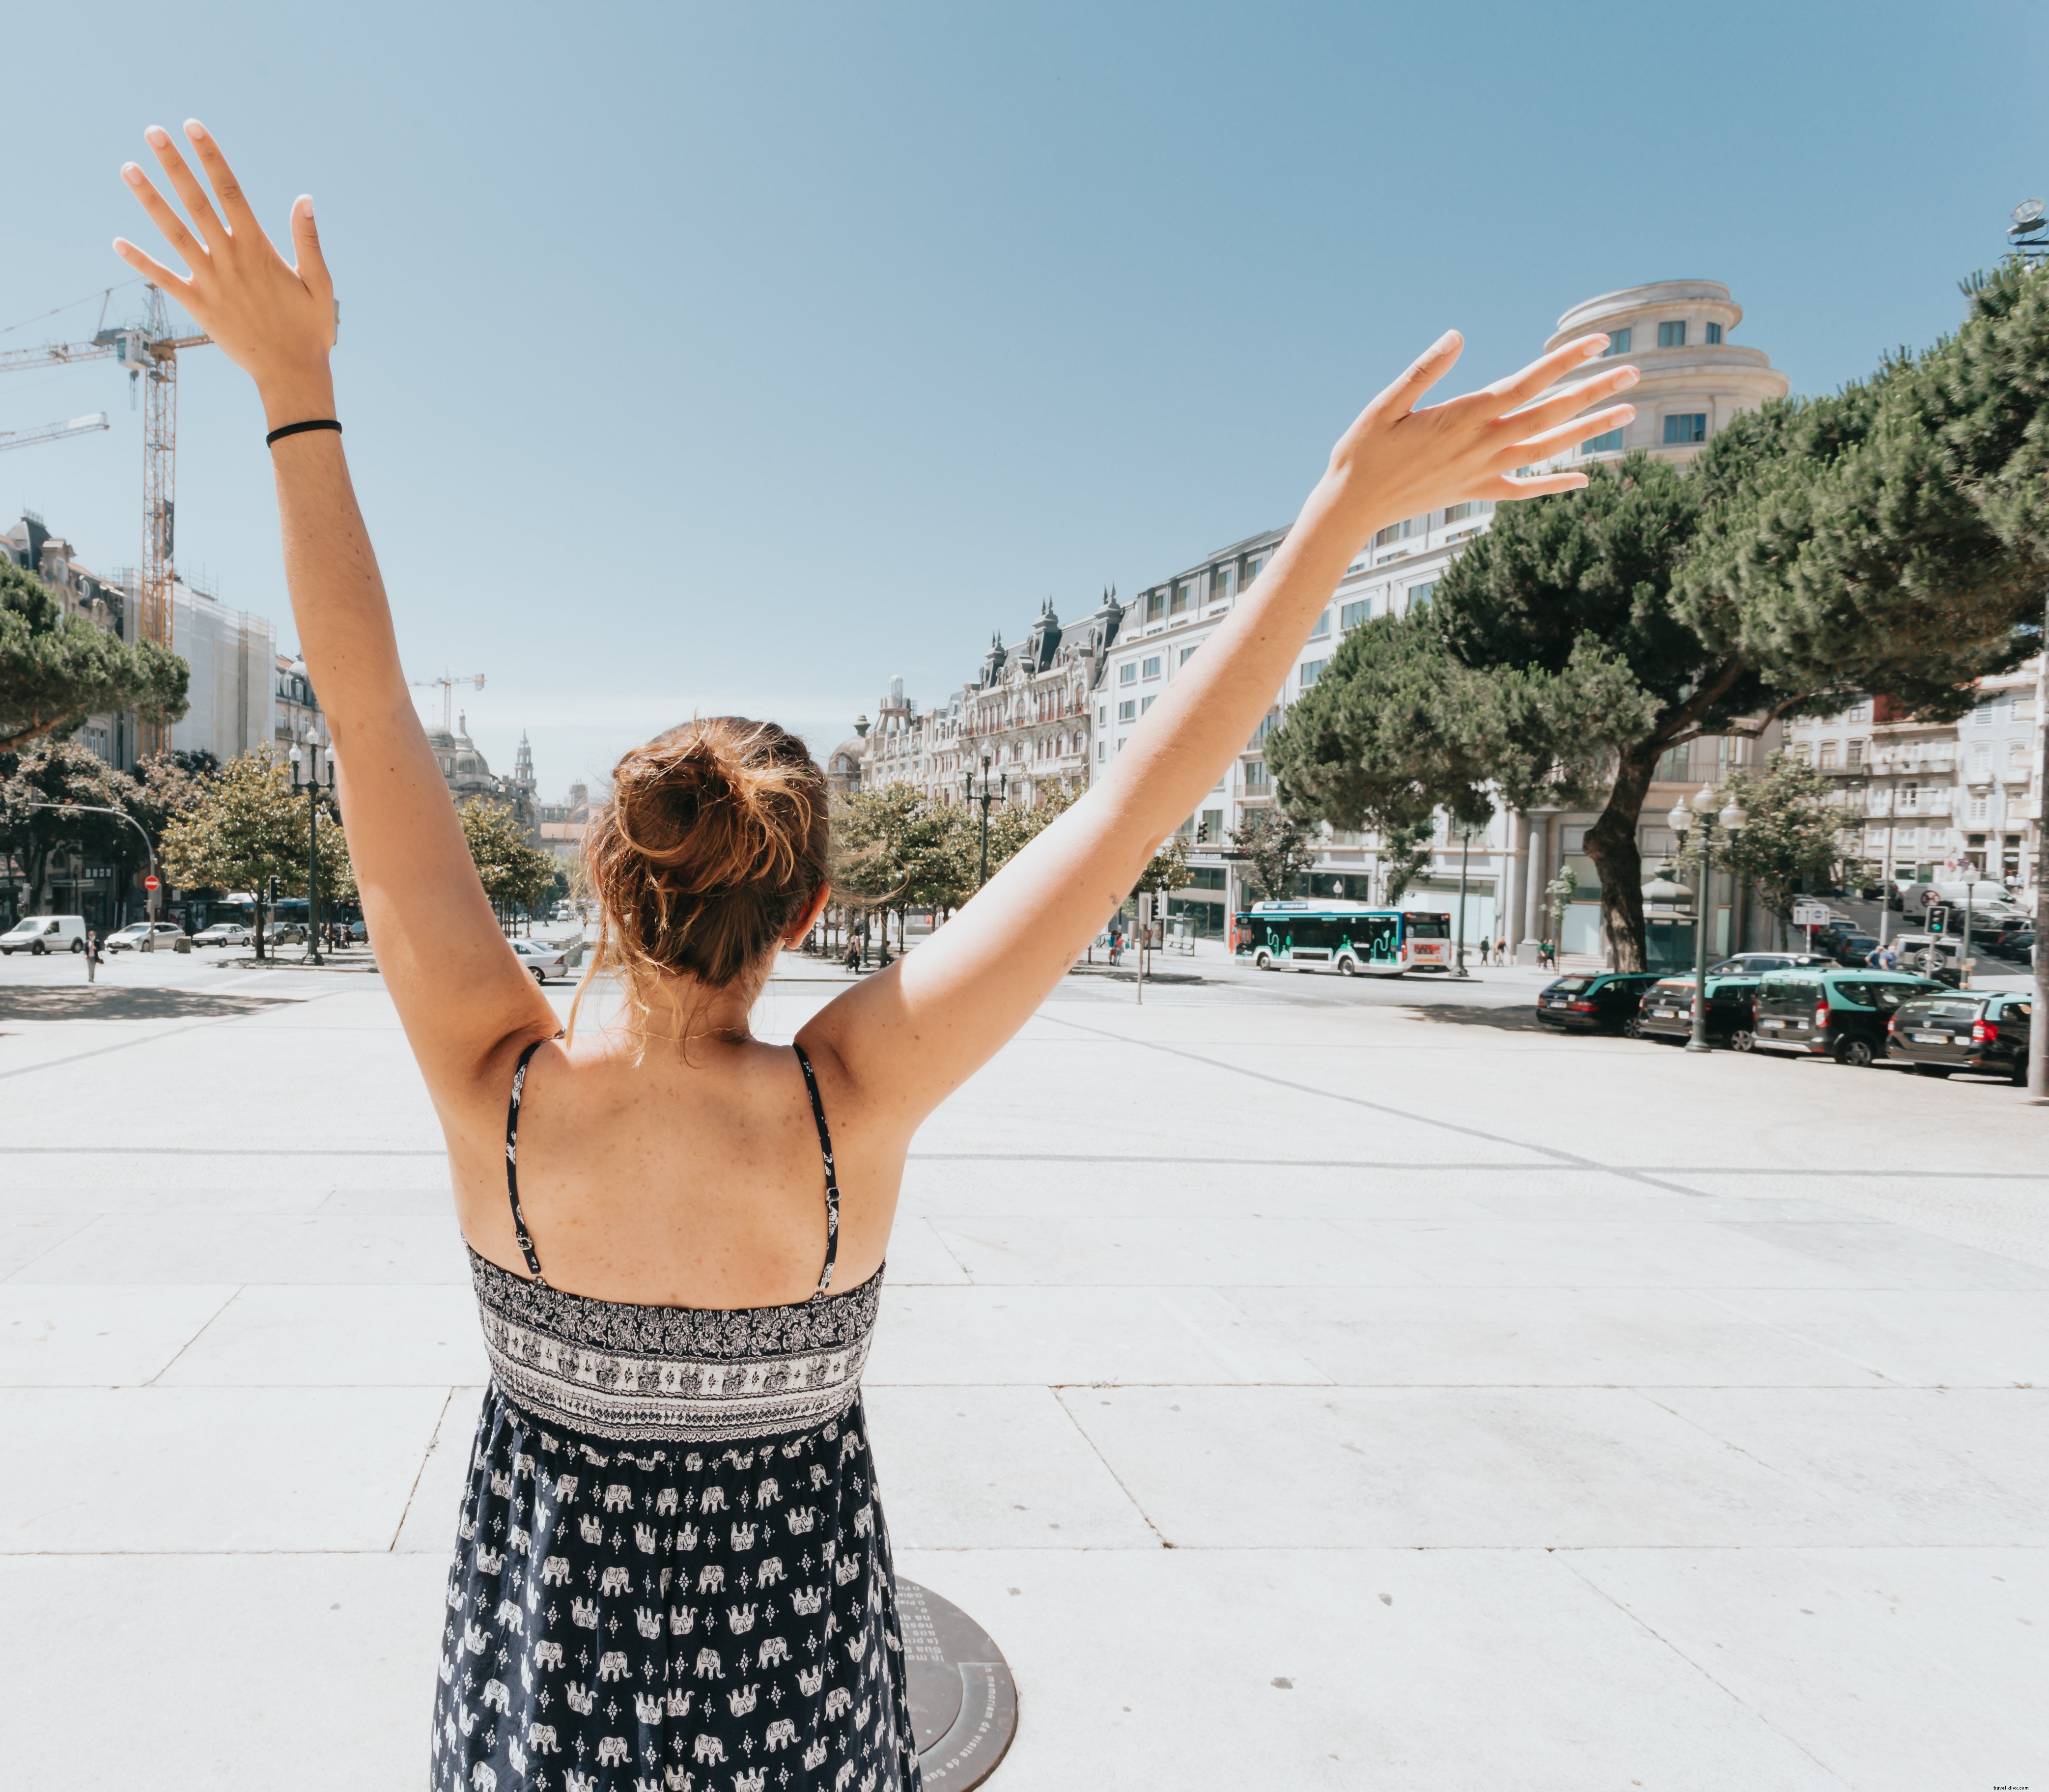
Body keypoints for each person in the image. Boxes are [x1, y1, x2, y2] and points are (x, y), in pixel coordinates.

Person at [112, 118, 1637, 1791]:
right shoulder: (848, 1105)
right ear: (812, 916)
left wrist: (294, 384)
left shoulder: (506, 1094)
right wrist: (1337, 519)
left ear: (605, 880)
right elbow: (1126, 815)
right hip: (803, 1728)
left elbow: (368, 706)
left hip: (544, 1720)